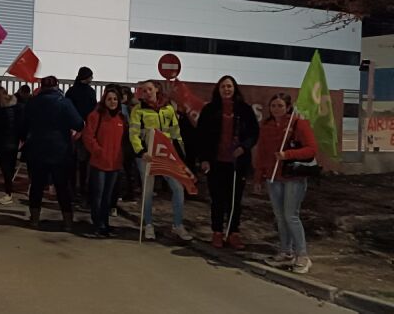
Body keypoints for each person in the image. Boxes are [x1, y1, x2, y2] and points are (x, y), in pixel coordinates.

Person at [254, 93, 317, 274]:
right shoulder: (266, 126)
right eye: (273, 105)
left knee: (291, 216)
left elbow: (311, 149)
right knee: (280, 216)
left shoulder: (298, 124)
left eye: (280, 105)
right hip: (273, 178)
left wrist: (287, 155)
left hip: (293, 178)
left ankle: (302, 255)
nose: (276, 109)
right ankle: (286, 251)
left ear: (288, 107)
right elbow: (261, 153)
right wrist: (258, 177)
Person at [197, 75, 259, 249]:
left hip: (237, 163)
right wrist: (204, 159)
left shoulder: (245, 109)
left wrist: (244, 147)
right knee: (217, 199)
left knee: (234, 200)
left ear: (235, 88)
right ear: (218, 89)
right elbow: (201, 135)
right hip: (215, 162)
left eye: (229, 86)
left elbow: (254, 133)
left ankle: (233, 233)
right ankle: (217, 232)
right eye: (223, 86)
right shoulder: (209, 109)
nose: (226, 89)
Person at [129, 80, 192, 241]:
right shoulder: (138, 110)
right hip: (147, 156)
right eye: (144, 90)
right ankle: (148, 224)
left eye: (149, 89)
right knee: (148, 191)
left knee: (178, 188)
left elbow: (176, 133)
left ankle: (178, 225)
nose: (147, 92)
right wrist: (141, 151)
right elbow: (133, 134)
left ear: (157, 89)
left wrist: (180, 155)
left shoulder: (168, 109)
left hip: (166, 155)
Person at [22, 76, 84, 232]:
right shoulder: (64, 103)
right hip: (60, 150)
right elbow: (78, 123)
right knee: (62, 187)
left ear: (42, 87)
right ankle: (67, 222)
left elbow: (23, 125)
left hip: (37, 149)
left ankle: (35, 219)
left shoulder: (32, 103)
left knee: (37, 186)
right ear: (57, 86)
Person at [82, 87, 126, 237]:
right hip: (99, 163)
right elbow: (88, 136)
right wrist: (98, 151)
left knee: (108, 196)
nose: (112, 102)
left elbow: (123, 141)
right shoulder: (96, 116)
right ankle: (98, 224)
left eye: (115, 99)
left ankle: (105, 223)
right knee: (98, 195)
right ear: (104, 100)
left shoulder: (121, 118)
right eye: (109, 99)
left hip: (114, 164)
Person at [65, 66, 97, 203]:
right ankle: (83, 188)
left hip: (72, 129)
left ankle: (71, 189)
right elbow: (93, 110)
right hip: (86, 129)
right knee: (84, 161)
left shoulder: (71, 91)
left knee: (72, 160)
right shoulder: (90, 92)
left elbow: (67, 108)